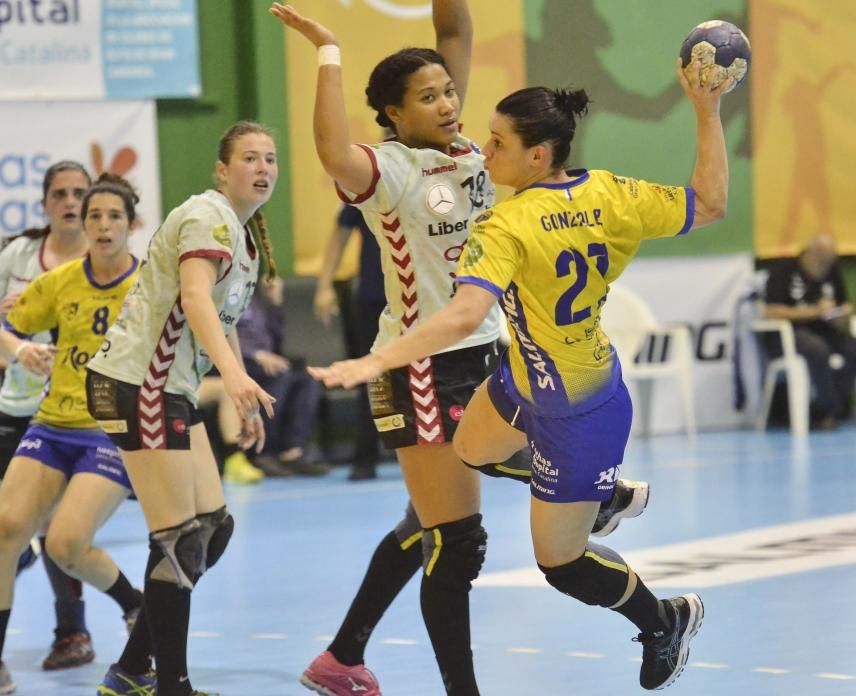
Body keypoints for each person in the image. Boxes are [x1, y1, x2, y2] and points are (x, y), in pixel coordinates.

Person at [309, 56, 732, 690]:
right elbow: (710, 205)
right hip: (523, 374)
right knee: (470, 450)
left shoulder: (505, 223)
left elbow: (460, 318)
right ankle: (604, 498)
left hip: (577, 412)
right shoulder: (610, 191)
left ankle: (662, 619)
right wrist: (706, 112)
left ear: (536, 157)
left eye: (499, 141)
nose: (482, 146)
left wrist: (374, 359)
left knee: (558, 565)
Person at [271, 3, 648, 694]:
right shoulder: (389, 171)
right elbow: (330, 150)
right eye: (428, 96)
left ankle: (341, 658)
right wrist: (327, 49)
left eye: (448, 90)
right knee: (456, 538)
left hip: (484, 352)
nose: (448, 102)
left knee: (426, 520)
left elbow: (455, 32)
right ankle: (593, 498)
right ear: (393, 112)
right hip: (423, 364)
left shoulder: (472, 150)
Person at [85, 120, 279, 696]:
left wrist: (237, 390)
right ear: (223, 170)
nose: (263, 168)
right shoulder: (205, 214)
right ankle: (171, 685)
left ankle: (128, 668)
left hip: (170, 388)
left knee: (211, 531)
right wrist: (238, 378)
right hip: (138, 382)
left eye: (270, 158)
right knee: (176, 539)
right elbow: (194, 297)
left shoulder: (242, 238)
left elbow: (221, 320)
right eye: (250, 158)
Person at [0, 174, 146, 696]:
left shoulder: (149, 285)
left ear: (130, 225)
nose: (100, 224)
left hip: (109, 431)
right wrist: (18, 349)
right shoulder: (60, 279)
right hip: (51, 424)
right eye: (93, 215)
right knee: (5, 530)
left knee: (67, 543)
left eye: (112, 216)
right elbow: (3, 329)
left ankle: (139, 606)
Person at [0, 161, 104, 670]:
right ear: (45, 204)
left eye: (78, 193)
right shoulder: (21, 254)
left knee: (49, 523)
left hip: (70, 413)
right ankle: (18, 551)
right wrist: (1, 322)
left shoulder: (102, 259)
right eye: (60, 193)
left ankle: (73, 633)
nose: (69, 201)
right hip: (16, 401)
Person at [315, 204, 387, 480]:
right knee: (370, 379)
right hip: (373, 299)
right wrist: (324, 285)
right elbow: (340, 234)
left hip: (418, 299)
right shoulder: (367, 178)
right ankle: (365, 456)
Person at [239, 276, 330, 477]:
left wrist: (274, 302)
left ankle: (292, 450)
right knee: (278, 377)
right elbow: (219, 334)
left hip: (264, 362)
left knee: (306, 378)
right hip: (236, 364)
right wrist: (257, 354)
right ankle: (263, 452)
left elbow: (277, 340)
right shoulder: (224, 295)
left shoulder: (255, 300)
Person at [763, 233, 856, 429]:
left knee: (851, 347)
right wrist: (814, 312)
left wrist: (843, 313)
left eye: (829, 260)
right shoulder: (784, 270)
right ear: (810, 253)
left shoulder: (831, 271)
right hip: (789, 335)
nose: (825, 266)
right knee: (816, 348)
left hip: (825, 331)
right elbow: (770, 311)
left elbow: (843, 304)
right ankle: (824, 410)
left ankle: (833, 407)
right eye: (821, 260)